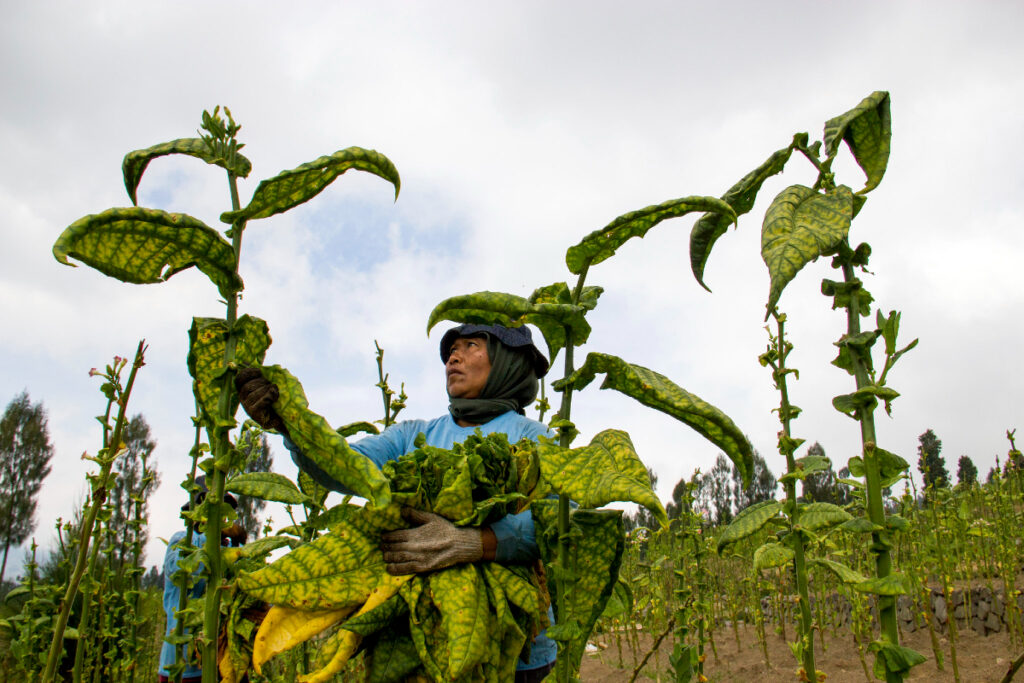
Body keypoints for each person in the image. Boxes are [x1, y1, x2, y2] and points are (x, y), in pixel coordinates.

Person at [235, 323, 557, 682]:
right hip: (413, 640)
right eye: (451, 349)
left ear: (507, 362)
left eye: (470, 345)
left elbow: (559, 523)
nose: (454, 356)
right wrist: (290, 422)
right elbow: (342, 463)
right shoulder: (412, 435)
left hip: (516, 650)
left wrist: (475, 543)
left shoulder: (534, 438)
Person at [159, 476, 247, 683]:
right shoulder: (182, 541)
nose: (221, 515)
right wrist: (211, 536)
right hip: (184, 666)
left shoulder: (231, 547)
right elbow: (182, 569)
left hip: (227, 659)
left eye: (224, 508)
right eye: (214, 506)